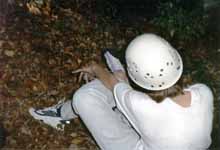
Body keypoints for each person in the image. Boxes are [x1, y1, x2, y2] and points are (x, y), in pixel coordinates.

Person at [29, 33, 214, 150]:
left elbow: (112, 83)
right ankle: (120, 72)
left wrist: (95, 68)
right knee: (121, 85)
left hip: (140, 143)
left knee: (86, 97)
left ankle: (60, 113)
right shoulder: (204, 92)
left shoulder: (142, 105)